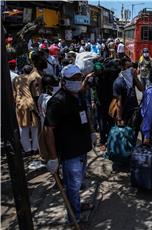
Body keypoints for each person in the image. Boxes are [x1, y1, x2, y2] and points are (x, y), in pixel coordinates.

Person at [44, 64, 96, 224]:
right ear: (64, 82)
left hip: (82, 148)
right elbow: (48, 129)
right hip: (70, 153)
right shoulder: (57, 101)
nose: (77, 81)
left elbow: (84, 115)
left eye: (79, 77)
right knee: (72, 186)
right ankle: (74, 218)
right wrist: (53, 158)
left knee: (78, 183)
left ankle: (77, 206)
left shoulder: (77, 95)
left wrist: (91, 131)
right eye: (73, 79)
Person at [12, 51, 47, 155]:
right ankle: (35, 148)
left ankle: (27, 149)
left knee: (23, 127)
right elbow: (35, 92)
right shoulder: (33, 78)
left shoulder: (16, 78)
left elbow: (14, 93)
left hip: (20, 104)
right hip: (31, 103)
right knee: (35, 127)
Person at [113, 58, 144, 133]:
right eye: (128, 67)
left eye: (131, 66)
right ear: (122, 68)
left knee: (134, 132)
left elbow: (141, 88)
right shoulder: (118, 82)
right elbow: (119, 103)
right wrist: (119, 118)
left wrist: (135, 77)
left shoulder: (132, 78)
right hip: (124, 114)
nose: (131, 69)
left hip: (134, 111)